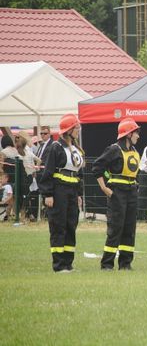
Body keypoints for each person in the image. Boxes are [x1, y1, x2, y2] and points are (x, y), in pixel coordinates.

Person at [93, 118, 141, 271]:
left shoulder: (134, 151)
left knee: (129, 228)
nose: (138, 136)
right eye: (136, 133)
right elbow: (97, 167)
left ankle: (125, 264)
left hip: (131, 192)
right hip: (117, 192)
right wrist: (104, 188)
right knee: (116, 228)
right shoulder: (114, 149)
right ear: (128, 134)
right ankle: (107, 264)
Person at [38, 114, 84, 272]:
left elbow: (79, 174)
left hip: (72, 190)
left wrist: (79, 194)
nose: (78, 131)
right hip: (58, 191)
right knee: (59, 226)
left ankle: (68, 263)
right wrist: (47, 194)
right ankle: (58, 265)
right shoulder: (55, 147)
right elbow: (47, 173)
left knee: (71, 225)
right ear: (69, 130)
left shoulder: (76, 148)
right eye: (76, 128)